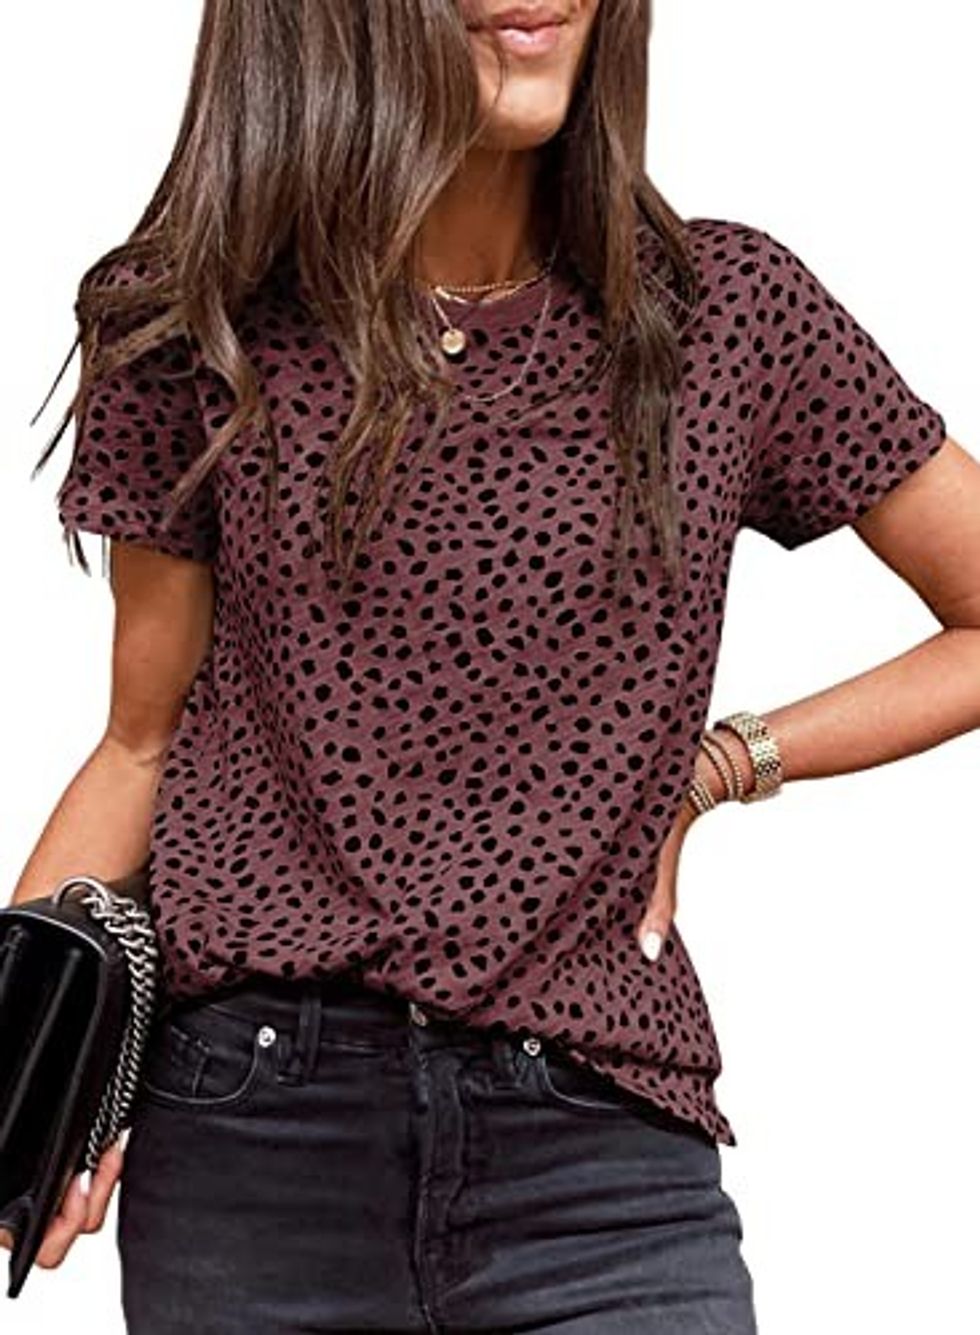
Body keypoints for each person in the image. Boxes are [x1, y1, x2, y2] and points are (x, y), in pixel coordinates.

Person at [6, 1, 978, 1330]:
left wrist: (721, 766)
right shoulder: (199, 325)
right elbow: (139, 742)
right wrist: (26, 1065)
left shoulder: (726, 314)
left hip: (599, 1152)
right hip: (257, 1144)